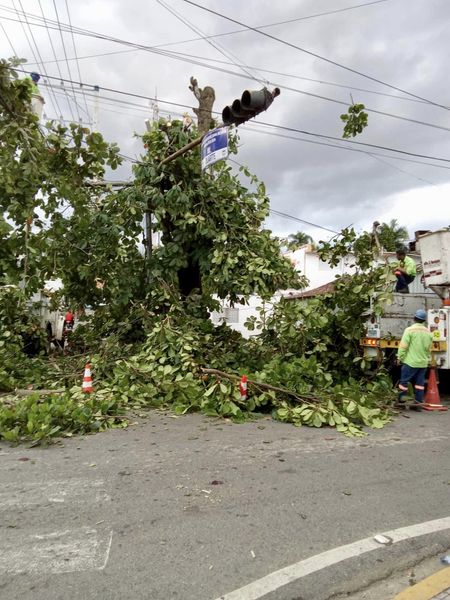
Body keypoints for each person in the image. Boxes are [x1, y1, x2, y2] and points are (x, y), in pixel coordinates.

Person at [397, 309, 432, 409]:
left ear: (414, 318)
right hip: (423, 363)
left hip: (410, 362)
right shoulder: (428, 332)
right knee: (419, 384)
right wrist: (426, 359)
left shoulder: (409, 330)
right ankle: (418, 404)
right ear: (424, 320)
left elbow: (403, 346)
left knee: (404, 383)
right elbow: (429, 349)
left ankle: (402, 403)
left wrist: (400, 357)